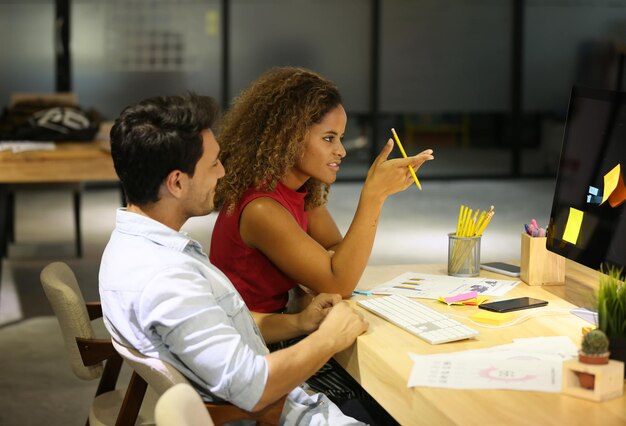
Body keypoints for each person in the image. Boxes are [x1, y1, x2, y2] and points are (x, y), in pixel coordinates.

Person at [99, 93, 371, 425]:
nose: (223, 172)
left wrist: (301, 323)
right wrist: (331, 339)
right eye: (214, 163)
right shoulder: (167, 280)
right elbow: (253, 387)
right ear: (177, 182)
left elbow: (219, 331)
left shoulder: (135, 248)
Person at [209, 67, 433, 410]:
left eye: (340, 138)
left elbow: (337, 253)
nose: (341, 151)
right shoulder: (262, 208)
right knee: (390, 403)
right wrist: (373, 197)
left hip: (281, 332)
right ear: (287, 138)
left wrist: (329, 266)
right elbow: (340, 279)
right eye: (329, 138)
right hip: (257, 356)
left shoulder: (299, 189)